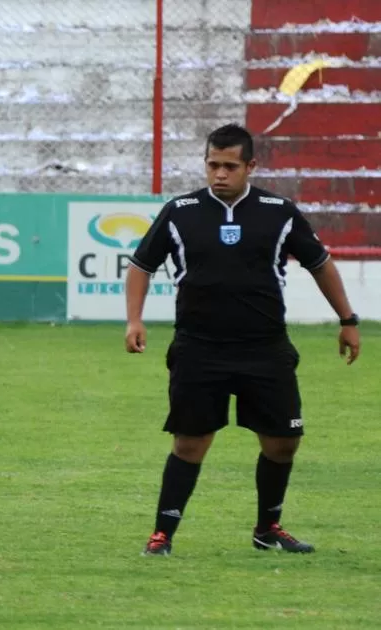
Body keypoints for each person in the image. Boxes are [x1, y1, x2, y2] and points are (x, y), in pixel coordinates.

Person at [124, 123, 361, 557]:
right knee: (190, 442)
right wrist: (133, 319)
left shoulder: (279, 211)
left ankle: (267, 528)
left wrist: (347, 318)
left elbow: (320, 264)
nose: (219, 174)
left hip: (265, 347)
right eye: (212, 164)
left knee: (283, 441)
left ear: (251, 166)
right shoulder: (180, 210)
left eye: (230, 166)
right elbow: (140, 264)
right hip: (199, 347)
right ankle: (162, 535)